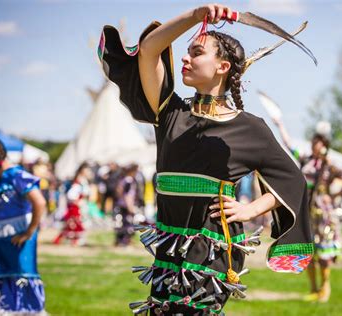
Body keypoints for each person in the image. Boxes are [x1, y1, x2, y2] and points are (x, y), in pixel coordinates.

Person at [99, 3, 314, 314]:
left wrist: (250, 208)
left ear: (222, 67)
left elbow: (293, 180)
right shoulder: (170, 112)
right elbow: (148, 50)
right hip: (169, 246)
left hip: (212, 244)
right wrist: (195, 16)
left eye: (197, 52)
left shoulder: (249, 128)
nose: (185, 58)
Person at [273, 118, 342, 302]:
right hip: (307, 210)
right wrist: (280, 125)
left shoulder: (328, 163)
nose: (315, 145)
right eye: (313, 142)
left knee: (323, 252)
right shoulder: (306, 159)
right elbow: (289, 145)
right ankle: (313, 288)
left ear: (324, 145)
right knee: (309, 250)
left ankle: (325, 287)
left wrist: (335, 193)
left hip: (324, 214)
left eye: (318, 142)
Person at [0, 138, 47, 314]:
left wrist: (29, 231)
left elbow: (39, 202)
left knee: (20, 280)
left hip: (18, 242)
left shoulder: (17, 175)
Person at [53, 162, 91, 245]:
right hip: (75, 207)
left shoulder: (82, 181)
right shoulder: (78, 181)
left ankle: (74, 240)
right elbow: (71, 195)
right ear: (82, 170)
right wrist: (77, 202)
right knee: (74, 224)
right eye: (87, 170)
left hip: (80, 205)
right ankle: (73, 241)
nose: (89, 172)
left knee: (75, 224)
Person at [114, 164, 139, 247]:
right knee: (127, 224)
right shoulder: (129, 181)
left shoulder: (123, 179)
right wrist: (130, 207)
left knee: (122, 223)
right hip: (126, 205)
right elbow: (128, 195)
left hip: (121, 204)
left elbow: (119, 192)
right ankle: (124, 241)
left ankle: (120, 240)